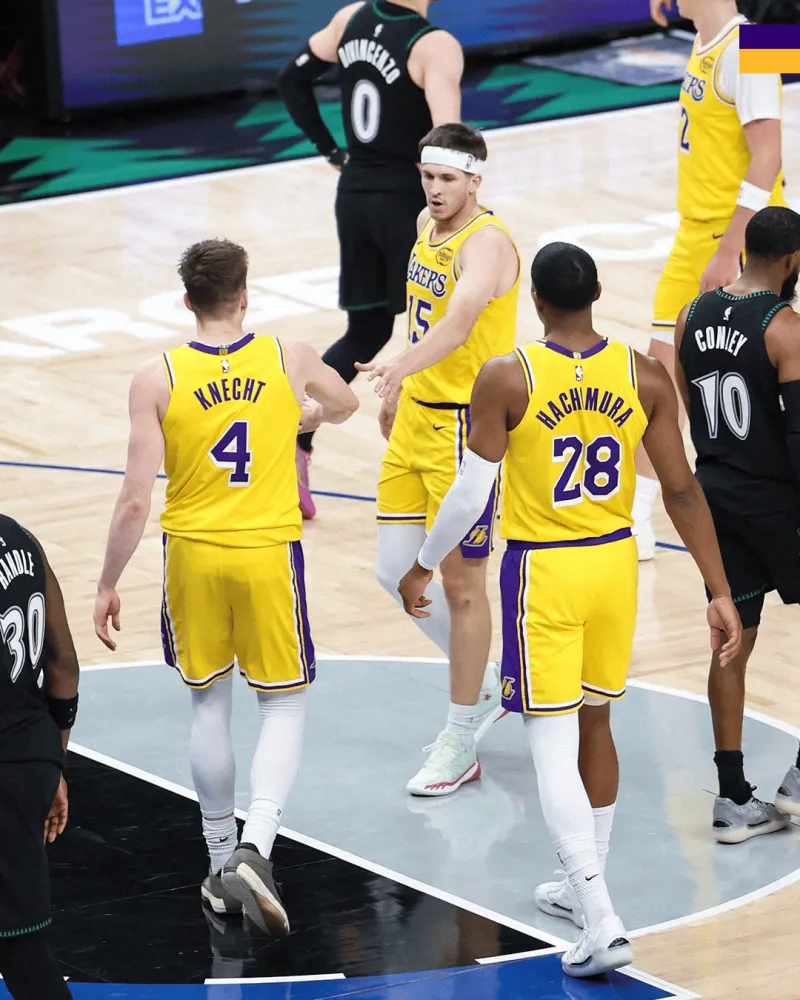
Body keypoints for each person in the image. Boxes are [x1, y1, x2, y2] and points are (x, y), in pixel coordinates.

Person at [398, 242, 741, 976]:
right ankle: (585, 887)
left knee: (550, 741)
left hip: (544, 571)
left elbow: (471, 490)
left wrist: (424, 561)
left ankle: (600, 915)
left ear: (537, 302)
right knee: (596, 719)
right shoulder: (643, 374)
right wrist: (718, 589)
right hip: (615, 566)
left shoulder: (508, 376)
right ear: (598, 293)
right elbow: (682, 490)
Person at [93, 240, 358, 935]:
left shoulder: (156, 377)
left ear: (187, 300)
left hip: (193, 556)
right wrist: (307, 415)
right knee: (284, 705)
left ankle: (219, 867)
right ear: (246, 295)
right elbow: (346, 403)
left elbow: (133, 500)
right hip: (267, 553)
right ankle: (254, 847)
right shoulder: (288, 355)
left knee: (208, 704)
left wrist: (107, 582)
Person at [357, 123, 520, 797]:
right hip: (416, 418)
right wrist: (402, 385)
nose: (434, 189)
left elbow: (457, 323)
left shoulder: (488, 244)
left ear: (475, 180)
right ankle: (489, 681)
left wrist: (398, 365)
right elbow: (421, 315)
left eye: (447, 178)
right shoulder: (426, 225)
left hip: (462, 427)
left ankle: (460, 738)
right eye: (427, 176)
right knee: (392, 570)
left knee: (460, 585)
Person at [276, 0, 463, 519]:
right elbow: (448, 148)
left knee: (367, 331)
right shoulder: (434, 45)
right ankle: (435, 459)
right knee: (438, 330)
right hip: (407, 204)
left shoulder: (351, 18)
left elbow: (290, 80)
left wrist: (331, 151)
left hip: (355, 193)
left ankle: (293, 438)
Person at [635, 0, 786, 559]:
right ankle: (635, 513)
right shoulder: (709, 38)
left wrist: (730, 250)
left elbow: (768, 156)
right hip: (696, 231)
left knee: (765, 377)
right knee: (658, 376)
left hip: (740, 238)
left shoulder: (750, 47)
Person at [675, 206, 800, 841]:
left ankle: (731, 800)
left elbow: (691, 405)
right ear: (792, 261)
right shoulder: (785, 327)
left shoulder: (690, 315)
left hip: (716, 499)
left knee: (731, 642)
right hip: (778, 503)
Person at [0, 515, 79, 999]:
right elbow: (62, 663)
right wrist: (54, 766)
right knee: (21, 946)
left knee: (23, 955)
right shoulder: (21, 539)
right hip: (30, 758)